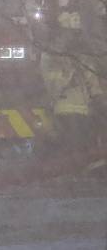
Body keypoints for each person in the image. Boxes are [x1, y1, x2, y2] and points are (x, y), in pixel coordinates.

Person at [41, 10, 103, 151]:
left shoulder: (82, 56)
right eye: (70, 33)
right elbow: (52, 84)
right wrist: (70, 75)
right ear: (60, 33)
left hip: (85, 112)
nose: (73, 38)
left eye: (76, 34)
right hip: (65, 112)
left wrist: (99, 99)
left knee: (87, 150)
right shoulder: (50, 56)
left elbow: (92, 81)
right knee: (74, 149)